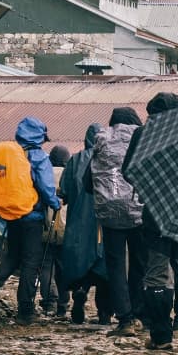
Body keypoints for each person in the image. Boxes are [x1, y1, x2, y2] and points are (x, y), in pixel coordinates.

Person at [124, 91, 178, 350]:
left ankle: (161, 335)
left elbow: (128, 170)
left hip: (156, 211)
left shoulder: (143, 134)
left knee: (157, 273)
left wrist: (147, 186)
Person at [0, 117, 61, 325]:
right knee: (31, 262)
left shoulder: (10, 154)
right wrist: (55, 203)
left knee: (13, 255)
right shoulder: (38, 156)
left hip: (11, 216)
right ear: (39, 136)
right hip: (32, 216)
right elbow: (45, 185)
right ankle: (25, 310)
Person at [93, 106, 147, 338]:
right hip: (139, 210)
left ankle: (125, 318)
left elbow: (90, 177)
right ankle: (139, 314)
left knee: (115, 266)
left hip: (110, 210)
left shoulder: (102, 138)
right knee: (140, 263)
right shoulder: (144, 136)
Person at [59, 124, 111, 325]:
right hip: (104, 221)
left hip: (79, 222)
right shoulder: (108, 159)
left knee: (80, 263)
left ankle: (80, 293)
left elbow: (63, 191)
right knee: (104, 266)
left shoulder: (75, 160)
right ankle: (104, 312)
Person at [37, 144, 72, 317]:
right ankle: (63, 304)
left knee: (46, 265)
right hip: (66, 228)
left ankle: (49, 301)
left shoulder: (45, 173)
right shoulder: (70, 174)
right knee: (63, 266)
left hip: (46, 226)